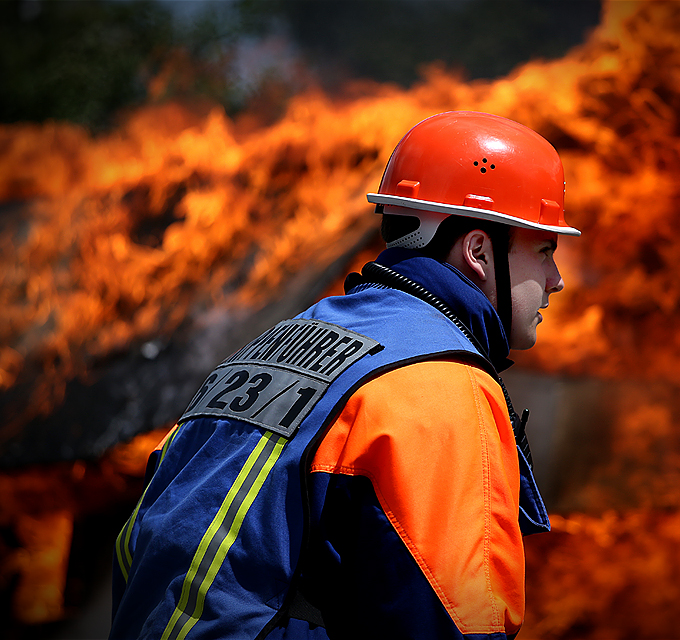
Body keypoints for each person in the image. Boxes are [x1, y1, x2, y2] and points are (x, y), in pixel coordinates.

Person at [110, 111, 581, 640]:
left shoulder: (278, 344)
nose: (555, 279)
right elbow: (450, 625)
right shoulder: (440, 385)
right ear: (478, 251)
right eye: (543, 251)